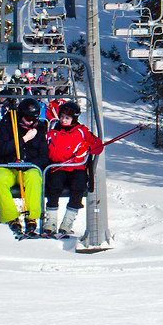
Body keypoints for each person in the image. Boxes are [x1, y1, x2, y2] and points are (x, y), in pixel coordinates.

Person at [42, 101, 104, 237]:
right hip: (58, 168)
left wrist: (87, 147)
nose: (63, 120)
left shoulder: (82, 131)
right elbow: (47, 150)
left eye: (67, 118)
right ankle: (50, 222)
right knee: (54, 186)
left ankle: (67, 222)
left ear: (74, 119)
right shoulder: (53, 132)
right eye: (62, 117)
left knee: (79, 185)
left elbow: (98, 147)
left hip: (76, 168)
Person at [0, 96, 49, 238]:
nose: (31, 122)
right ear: (20, 115)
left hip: (28, 168)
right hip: (8, 166)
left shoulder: (39, 130)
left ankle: (32, 218)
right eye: (28, 118)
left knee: (35, 178)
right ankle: (12, 218)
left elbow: (43, 157)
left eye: (34, 119)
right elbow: (2, 149)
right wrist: (23, 140)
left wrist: (29, 163)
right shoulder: (7, 125)